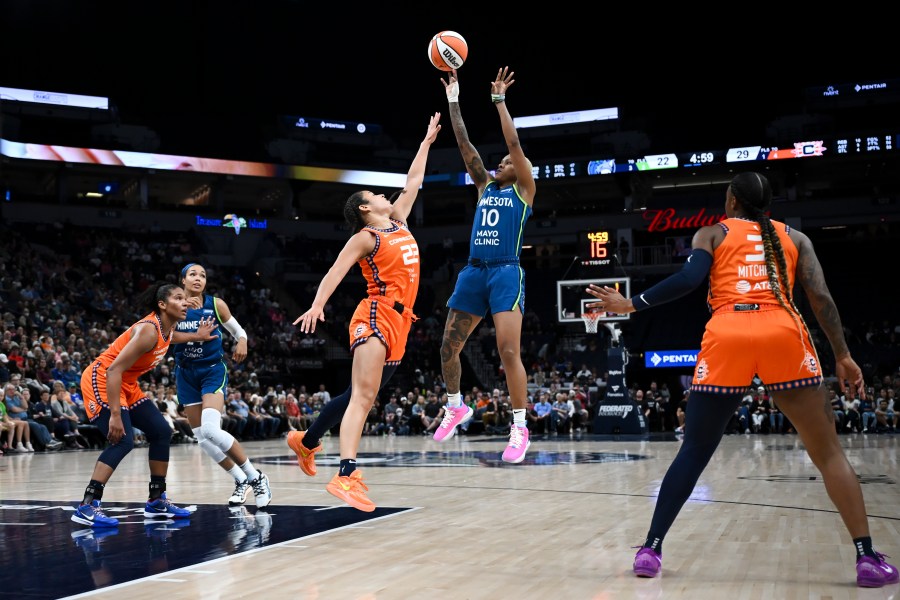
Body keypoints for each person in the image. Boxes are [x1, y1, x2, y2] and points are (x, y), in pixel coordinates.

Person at [585, 171, 897, 588]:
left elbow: (688, 281)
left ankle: (651, 549)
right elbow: (821, 299)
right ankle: (866, 557)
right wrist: (842, 355)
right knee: (829, 454)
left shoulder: (711, 233)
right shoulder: (795, 239)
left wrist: (632, 303)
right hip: (783, 331)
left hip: (728, 331)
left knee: (694, 451)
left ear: (732, 201)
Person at [286, 112, 442, 512]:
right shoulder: (365, 236)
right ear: (364, 209)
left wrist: (425, 142)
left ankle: (306, 441)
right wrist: (318, 304)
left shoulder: (398, 221)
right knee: (364, 397)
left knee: (358, 395)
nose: (385, 196)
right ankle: (346, 475)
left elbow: (413, 182)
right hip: (375, 314)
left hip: (403, 321)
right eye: (376, 196)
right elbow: (335, 271)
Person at [432, 67, 536, 464]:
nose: (501, 163)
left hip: (506, 270)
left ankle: (519, 427)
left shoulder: (524, 190)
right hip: (474, 271)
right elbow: (463, 142)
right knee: (447, 346)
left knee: (508, 351)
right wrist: (454, 98)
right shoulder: (484, 186)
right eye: (501, 161)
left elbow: (513, 141)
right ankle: (456, 405)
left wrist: (499, 101)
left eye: (508, 162)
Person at [71, 282, 215, 528]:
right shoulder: (149, 330)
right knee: (123, 439)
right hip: (104, 377)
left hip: (126, 382)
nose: (184, 302)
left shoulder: (167, 328)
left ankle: (156, 500)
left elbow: (171, 338)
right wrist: (115, 415)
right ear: (162, 305)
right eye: (178, 298)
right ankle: (87, 505)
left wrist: (196, 335)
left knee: (161, 431)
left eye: (184, 298)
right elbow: (114, 369)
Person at [172, 263, 272, 508]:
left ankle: (255, 476)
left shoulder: (216, 304)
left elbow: (238, 331)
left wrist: (242, 341)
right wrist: (182, 310)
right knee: (202, 439)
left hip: (211, 371)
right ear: (183, 280)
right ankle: (239, 480)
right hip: (185, 373)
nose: (198, 278)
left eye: (203, 275)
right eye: (193, 274)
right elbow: (164, 336)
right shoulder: (172, 306)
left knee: (211, 431)